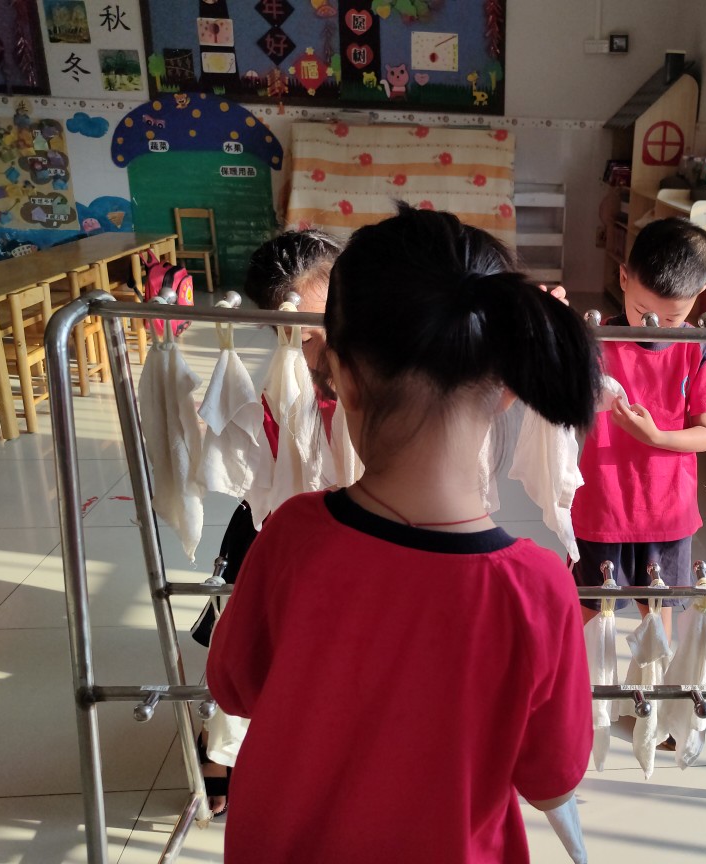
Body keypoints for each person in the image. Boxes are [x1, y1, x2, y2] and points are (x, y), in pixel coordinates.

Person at [206, 204, 601, 862]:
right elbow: (552, 776)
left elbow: (234, 686)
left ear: (343, 377)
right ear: (509, 386)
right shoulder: (538, 588)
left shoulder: (291, 535)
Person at [190, 229, 343, 817]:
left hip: (345, 526)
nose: (311, 345)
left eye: (319, 326)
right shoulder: (281, 379)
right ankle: (219, 747)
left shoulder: (376, 363)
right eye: (293, 333)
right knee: (246, 639)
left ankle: (310, 743)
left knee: (325, 649)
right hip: (272, 526)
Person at [571, 217, 706, 646]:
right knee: (593, 608)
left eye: (672, 316)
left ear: (700, 296)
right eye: (644, 312)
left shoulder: (696, 347)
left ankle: (653, 684)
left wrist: (657, 438)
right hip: (604, 504)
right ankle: (585, 682)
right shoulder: (598, 339)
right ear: (624, 279)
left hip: (666, 511)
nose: (654, 324)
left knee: (657, 612)